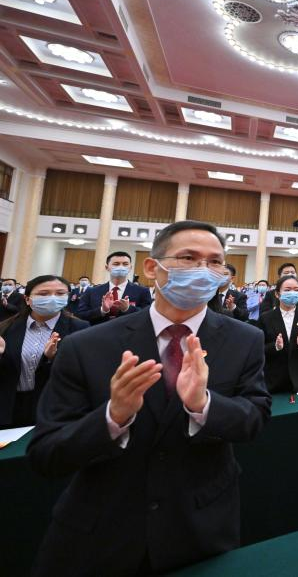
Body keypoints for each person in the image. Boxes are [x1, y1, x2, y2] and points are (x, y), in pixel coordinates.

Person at [28, 220, 271, 575]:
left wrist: (203, 405)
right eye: (188, 258)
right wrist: (113, 418)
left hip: (200, 527)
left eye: (215, 262)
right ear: (151, 267)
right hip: (101, 531)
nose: (203, 270)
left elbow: (255, 418)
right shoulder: (87, 345)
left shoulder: (244, 338)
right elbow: (46, 454)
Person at [0, 275, 89, 427]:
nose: (53, 298)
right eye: (43, 294)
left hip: (53, 408)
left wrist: (52, 358)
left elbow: (84, 373)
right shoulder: (6, 328)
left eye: (60, 294)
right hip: (9, 406)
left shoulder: (80, 329)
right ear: (28, 299)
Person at [257, 275, 298, 394]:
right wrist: (275, 347)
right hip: (274, 379)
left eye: (296, 290)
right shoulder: (266, 318)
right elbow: (258, 348)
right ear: (277, 294)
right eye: (287, 290)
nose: (292, 293)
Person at [74, 252, 153, 325]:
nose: (121, 267)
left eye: (125, 264)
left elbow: (148, 315)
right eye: (116, 264)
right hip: (97, 333)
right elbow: (80, 315)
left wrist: (128, 308)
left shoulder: (142, 291)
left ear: (130, 267)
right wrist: (102, 310)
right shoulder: (92, 291)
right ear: (107, 267)